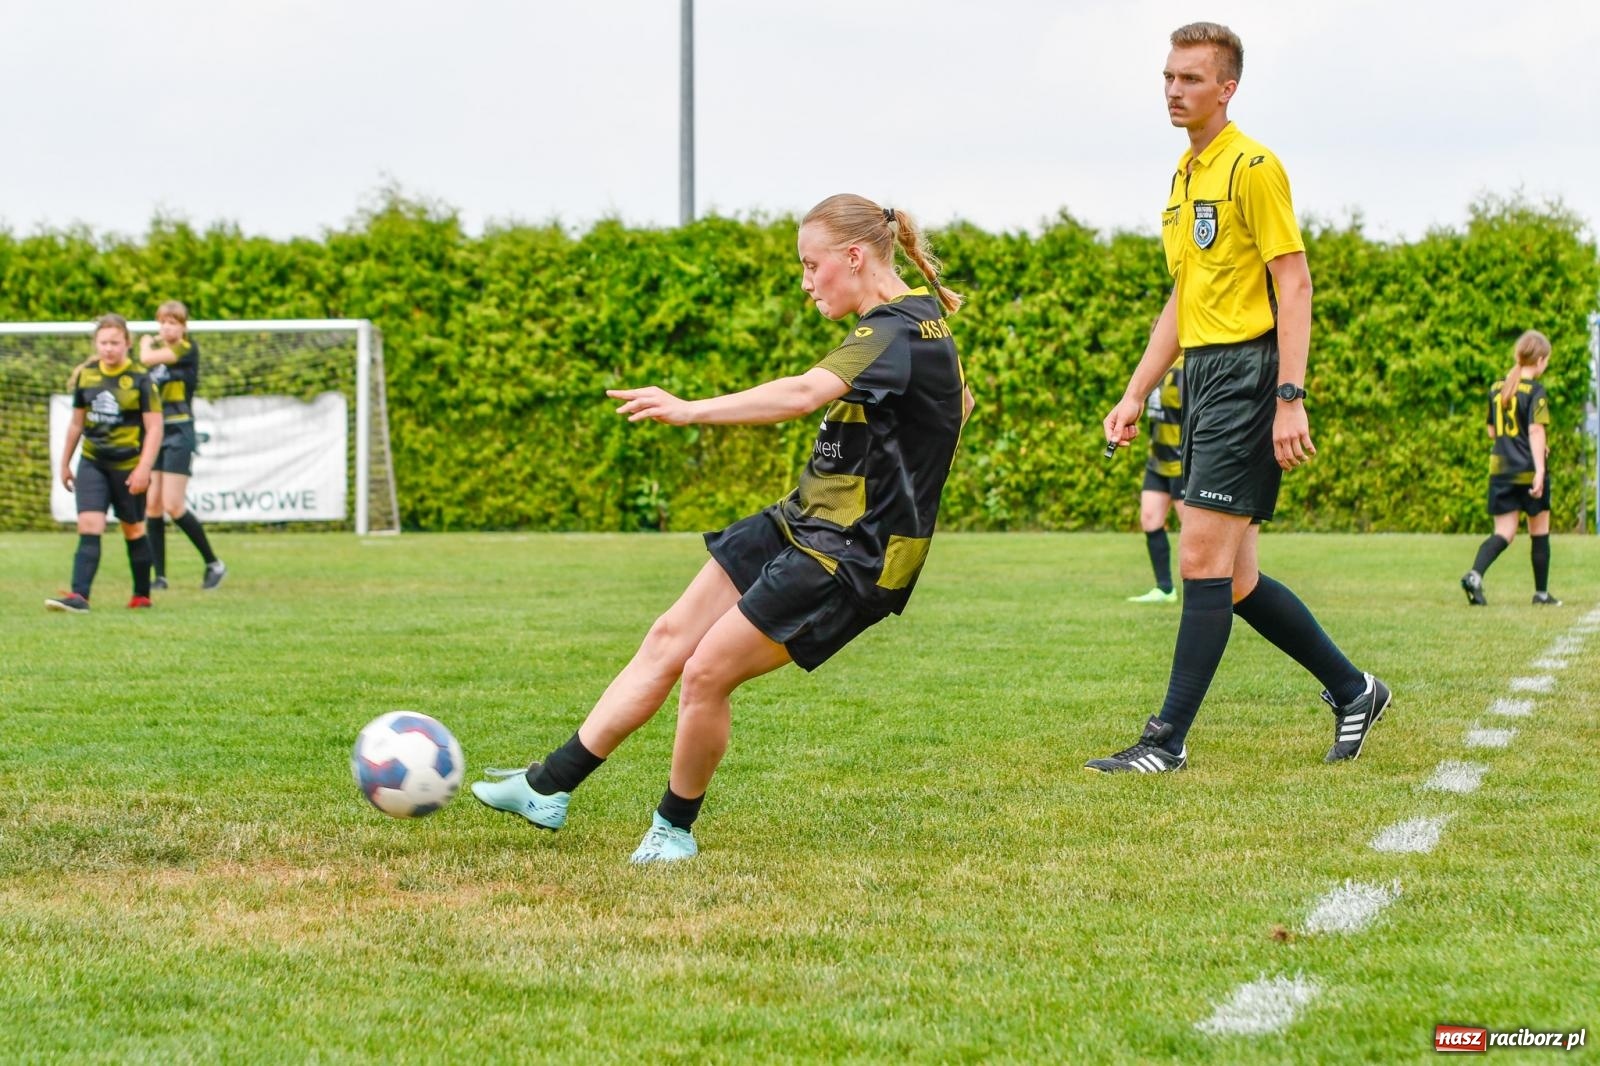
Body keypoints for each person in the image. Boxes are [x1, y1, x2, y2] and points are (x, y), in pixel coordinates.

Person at [472, 194, 973, 863]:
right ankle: (547, 787)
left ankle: (673, 830)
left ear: (855, 257)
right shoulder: (914, 323)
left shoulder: (895, 331)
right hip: (805, 519)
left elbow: (803, 393)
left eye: (811, 265)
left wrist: (689, 409)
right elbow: (960, 404)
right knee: (669, 636)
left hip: (850, 554)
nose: (806, 282)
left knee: (705, 672)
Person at [1090, 22, 1389, 772]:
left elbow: (1295, 282)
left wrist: (1290, 396)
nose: (1173, 90)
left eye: (1190, 78)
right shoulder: (1183, 176)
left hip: (1248, 377)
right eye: (1168, 76)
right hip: (1201, 376)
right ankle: (1355, 690)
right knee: (1238, 577)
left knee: (1199, 558)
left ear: (1227, 89)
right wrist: (1136, 392)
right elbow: (1183, 297)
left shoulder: (1254, 167)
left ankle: (1165, 742)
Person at [46, 314, 163, 612]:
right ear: (96, 344)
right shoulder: (86, 375)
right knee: (89, 524)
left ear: (127, 343)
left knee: (133, 530)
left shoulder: (140, 378)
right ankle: (79, 596)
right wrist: (64, 463)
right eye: (103, 343)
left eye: (114, 343)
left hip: (128, 467)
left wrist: (144, 468)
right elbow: (76, 424)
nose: (109, 348)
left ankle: (141, 595)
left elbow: (154, 428)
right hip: (93, 462)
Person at [1461, 330, 1558, 606]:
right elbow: (1536, 430)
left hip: (1501, 469)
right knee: (1539, 530)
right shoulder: (1536, 391)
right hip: (1528, 469)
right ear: (1540, 360)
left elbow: (1492, 431)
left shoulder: (1497, 389)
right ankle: (1541, 594)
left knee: (1504, 532)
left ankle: (1475, 575)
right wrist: (1540, 469)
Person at [138, 300, 226, 590]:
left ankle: (214, 563)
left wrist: (145, 342)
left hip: (179, 430)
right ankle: (159, 578)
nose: (167, 327)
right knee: (152, 505)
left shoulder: (186, 349)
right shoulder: (158, 358)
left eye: (173, 322)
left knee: (173, 505)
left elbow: (145, 357)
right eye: (163, 322)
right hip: (156, 432)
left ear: (183, 327)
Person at [1127, 354, 1185, 604]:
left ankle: (1210, 589)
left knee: (1195, 531)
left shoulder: (1186, 369)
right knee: (1150, 519)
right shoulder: (1154, 368)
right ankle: (1165, 588)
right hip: (1158, 460)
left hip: (1183, 463)